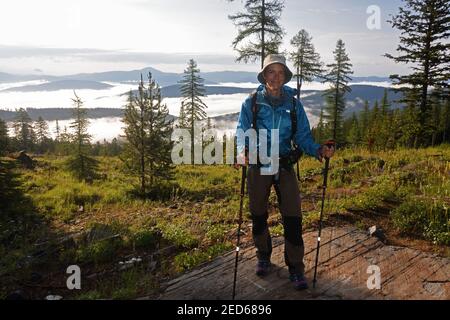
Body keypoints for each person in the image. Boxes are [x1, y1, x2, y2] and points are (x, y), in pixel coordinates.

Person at [235, 54, 335, 290]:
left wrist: (318, 150)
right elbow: (241, 131)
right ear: (264, 75)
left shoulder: (293, 103)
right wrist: (243, 152)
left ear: (285, 76)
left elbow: (302, 137)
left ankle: (296, 268)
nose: (276, 76)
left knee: (292, 217)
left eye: (281, 72)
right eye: (272, 71)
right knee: (258, 214)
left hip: (285, 164)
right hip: (258, 164)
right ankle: (263, 255)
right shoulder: (251, 102)